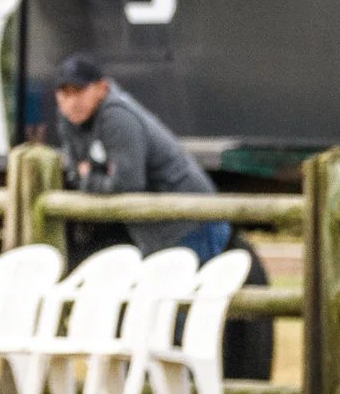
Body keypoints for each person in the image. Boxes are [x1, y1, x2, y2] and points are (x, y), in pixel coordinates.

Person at [52, 54, 229, 261]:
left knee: (187, 293)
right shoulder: (69, 120)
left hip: (191, 222)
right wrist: (98, 177)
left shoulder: (117, 116)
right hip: (153, 229)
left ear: (102, 88)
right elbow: (75, 175)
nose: (71, 102)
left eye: (79, 91)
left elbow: (127, 183)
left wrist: (90, 175)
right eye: (64, 93)